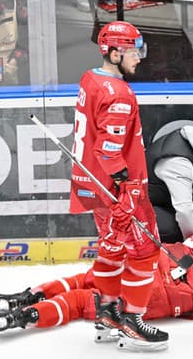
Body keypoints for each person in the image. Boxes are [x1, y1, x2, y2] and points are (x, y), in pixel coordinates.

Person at [0, 224, 193, 341]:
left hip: (162, 259)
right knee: (84, 303)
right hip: (177, 289)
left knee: (90, 279)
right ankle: (21, 318)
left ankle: (25, 296)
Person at [67, 20, 168, 351]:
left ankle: (107, 314)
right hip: (118, 191)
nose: (139, 57)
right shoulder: (120, 94)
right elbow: (108, 149)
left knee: (111, 248)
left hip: (91, 185)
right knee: (145, 252)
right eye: (133, 51)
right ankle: (132, 322)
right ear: (113, 52)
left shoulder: (90, 78)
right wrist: (127, 185)